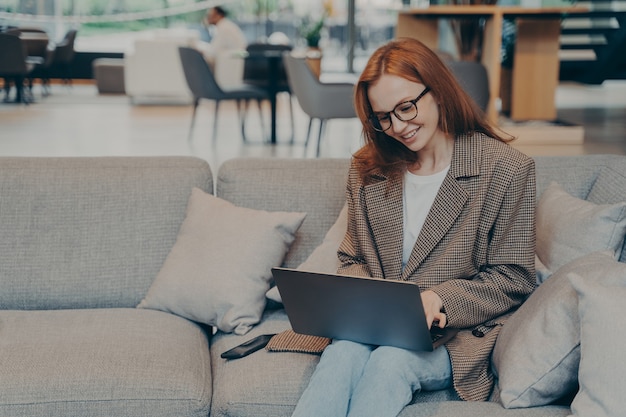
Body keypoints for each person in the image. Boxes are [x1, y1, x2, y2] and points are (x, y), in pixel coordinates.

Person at [291, 37, 537, 417]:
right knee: (341, 355)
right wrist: (370, 303)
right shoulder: (366, 168)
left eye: (406, 107)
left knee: (391, 361)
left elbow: (514, 277)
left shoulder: (506, 169)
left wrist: (441, 298)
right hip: (375, 325)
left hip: (456, 335)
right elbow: (351, 256)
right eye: (383, 117)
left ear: (437, 91)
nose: (398, 127)